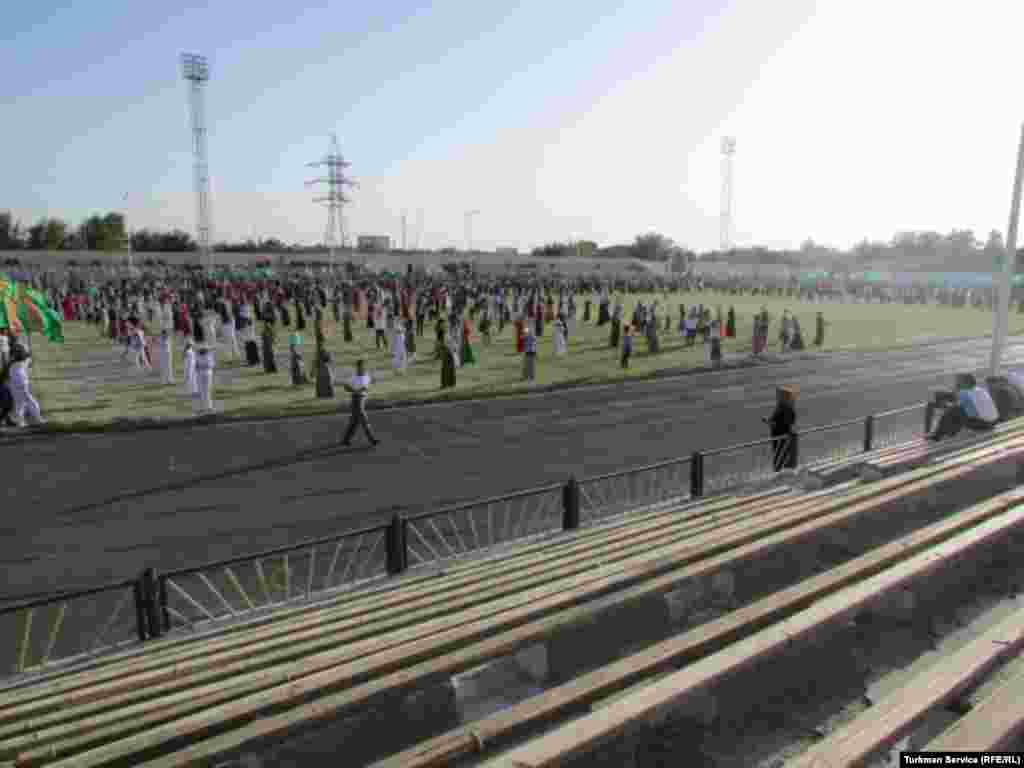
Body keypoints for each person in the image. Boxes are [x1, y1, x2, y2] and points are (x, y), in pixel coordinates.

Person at [342, 359, 379, 446]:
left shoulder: (366, 377)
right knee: (361, 421)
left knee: (356, 421)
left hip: (361, 399)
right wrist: (351, 389)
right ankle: (372, 439)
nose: (361, 369)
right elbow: (346, 386)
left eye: (362, 367)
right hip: (355, 400)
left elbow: (365, 387)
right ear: (357, 367)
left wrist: (355, 390)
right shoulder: (353, 377)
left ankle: (346, 439)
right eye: (359, 367)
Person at [7, 347, 45, 427]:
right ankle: (37, 418)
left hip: (16, 385)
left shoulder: (13, 364)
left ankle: (21, 421)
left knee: (20, 404)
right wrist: (30, 355)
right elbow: (29, 360)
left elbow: (28, 360)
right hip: (20, 384)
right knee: (28, 402)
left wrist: (29, 356)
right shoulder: (19, 363)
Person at [764, 386, 797, 471]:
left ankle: (782, 474)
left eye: (779, 395)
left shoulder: (784, 408)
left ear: (783, 397)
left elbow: (781, 424)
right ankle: (783, 472)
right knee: (782, 460)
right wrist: (770, 421)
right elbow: (788, 421)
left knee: (781, 461)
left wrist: (770, 423)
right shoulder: (785, 407)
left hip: (781, 438)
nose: (777, 396)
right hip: (781, 438)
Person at [194, 345, 215, 413]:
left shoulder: (199, 356)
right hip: (205, 373)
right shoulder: (208, 356)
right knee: (205, 391)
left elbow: (196, 366)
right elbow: (211, 365)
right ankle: (207, 407)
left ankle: (206, 407)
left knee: (204, 391)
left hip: (203, 373)